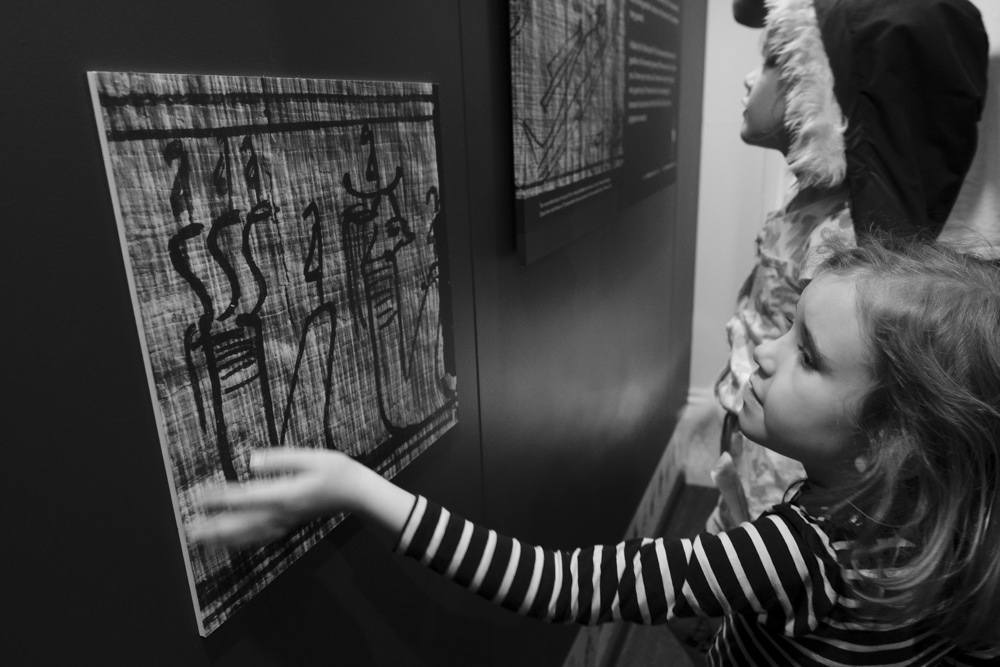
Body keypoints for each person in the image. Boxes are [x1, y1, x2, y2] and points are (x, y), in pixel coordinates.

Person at [192, 241, 1000, 665]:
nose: (764, 350)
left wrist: (355, 484)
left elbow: (556, 584)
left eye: (810, 356)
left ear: (896, 438)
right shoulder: (938, 524)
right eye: (786, 326)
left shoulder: (798, 549)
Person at [711, 0, 989, 528]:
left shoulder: (845, 245)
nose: (750, 80)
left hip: (785, 462)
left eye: (775, 61)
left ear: (827, 97)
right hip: (754, 415)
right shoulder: (810, 203)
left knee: (764, 571)